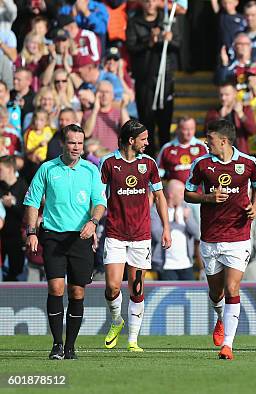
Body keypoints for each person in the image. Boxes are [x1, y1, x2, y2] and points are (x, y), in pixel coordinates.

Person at [24, 124, 107, 360]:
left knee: (77, 291)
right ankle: (57, 344)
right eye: (72, 142)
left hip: (80, 237)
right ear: (63, 143)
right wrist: (32, 232)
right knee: (56, 288)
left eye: (80, 143)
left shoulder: (91, 170)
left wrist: (93, 221)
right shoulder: (47, 169)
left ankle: (70, 346)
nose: (76, 147)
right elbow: (32, 202)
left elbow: (100, 202)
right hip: (52, 235)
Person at [184, 119, 256, 360]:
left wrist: (255, 206)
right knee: (216, 293)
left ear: (224, 141)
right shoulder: (201, 164)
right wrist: (208, 198)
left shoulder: (249, 163)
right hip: (210, 237)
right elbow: (189, 193)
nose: (205, 144)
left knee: (232, 288)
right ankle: (221, 318)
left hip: (238, 235)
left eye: (209, 140)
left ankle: (227, 345)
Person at [99, 119, 171, 352]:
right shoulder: (108, 163)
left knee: (137, 288)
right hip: (115, 233)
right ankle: (116, 320)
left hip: (141, 235)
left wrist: (166, 228)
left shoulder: (149, 164)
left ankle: (133, 340)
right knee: (112, 286)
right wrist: (93, 224)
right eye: (144, 139)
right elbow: (99, 197)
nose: (148, 143)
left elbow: (159, 197)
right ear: (131, 140)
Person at [126, 0, 181, 154]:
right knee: (146, 122)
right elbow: (131, 47)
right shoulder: (134, 22)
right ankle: (147, 159)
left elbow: (177, 45)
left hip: (164, 78)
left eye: (153, 0)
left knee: (165, 123)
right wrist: (149, 42)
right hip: (144, 78)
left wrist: (169, 39)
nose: (150, 3)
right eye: (146, 1)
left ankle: (165, 160)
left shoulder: (168, 20)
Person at [152, 179, 197, 280]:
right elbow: (156, 234)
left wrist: (187, 220)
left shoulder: (186, 209)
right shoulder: (156, 211)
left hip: (186, 265)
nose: (183, 196)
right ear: (171, 194)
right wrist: (174, 223)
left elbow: (197, 233)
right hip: (166, 267)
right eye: (181, 193)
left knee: (188, 296)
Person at [205, 82, 256, 154]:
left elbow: (252, 131)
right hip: (220, 154)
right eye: (221, 95)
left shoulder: (245, 109)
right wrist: (220, 118)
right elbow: (207, 132)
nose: (223, 98)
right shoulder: (214, 111)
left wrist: (241, 115)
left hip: (240, 153)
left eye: (227, 94)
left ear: (235, 93)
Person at [157, 116, 209, 183]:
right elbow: (159, 172)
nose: (189, 132)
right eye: (186, 129)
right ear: (178, 129)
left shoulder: (202, 146)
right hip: (175, 189)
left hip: (198, 190)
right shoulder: (167, 148)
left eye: (192, 128)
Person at [0, 155, 27, 281]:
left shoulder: (22, 186)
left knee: (15, 273)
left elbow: (26, 214)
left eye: (1, 169)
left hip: (16, 237)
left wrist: (13, 204)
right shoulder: (0, 186)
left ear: (10, 168)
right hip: (1, 238)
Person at [82, 80, 130, 152]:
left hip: (114, 156)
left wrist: (123, 108)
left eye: (107, 92)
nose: (104, 95)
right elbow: (86, 133)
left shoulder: (119, 113)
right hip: (95, 157)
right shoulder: (88, 114)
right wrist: (95, 110)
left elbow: (128, 132)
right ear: (96, 94)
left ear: (112, 95)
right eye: (101, 92)